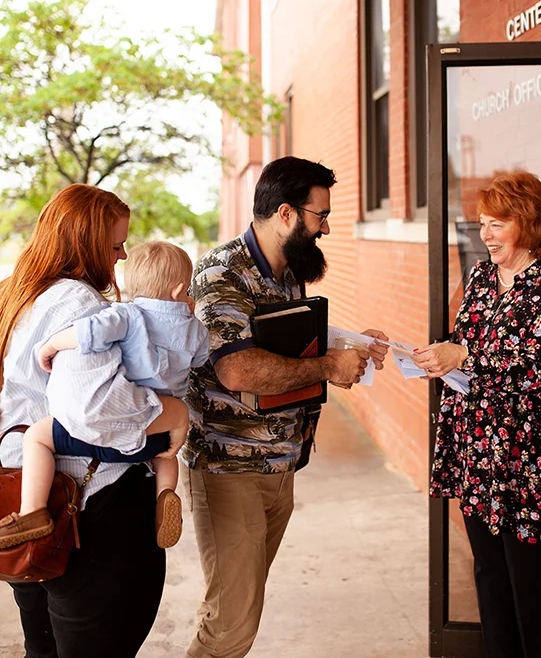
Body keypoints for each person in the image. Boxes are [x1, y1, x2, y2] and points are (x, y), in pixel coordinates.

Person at [182, 155, 389, 658]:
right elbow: (239, 369)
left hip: (280, 464)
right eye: (320, 216)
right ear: (286, 214)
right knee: (230, 624)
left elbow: (288, 342)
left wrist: (352, 345)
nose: (325, 228)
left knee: (238, 609)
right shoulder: (221, 272)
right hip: (229, 470)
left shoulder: (287, 272)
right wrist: (327, 368)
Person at [0, 184, 191, 658]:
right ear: (83, 244)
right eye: (114, 246)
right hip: (86, 505)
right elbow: (94, 411)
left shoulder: (13, 295)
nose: (122, 257)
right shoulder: (77, 304)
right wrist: (175, 411)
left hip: (22, 501)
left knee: (41, 648)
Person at [413, 172, 541, 658]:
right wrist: (432, 357)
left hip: (532, 460)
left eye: (496, 223)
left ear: (527, 224)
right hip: (478, 450)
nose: (484, 234)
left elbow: (540, 367)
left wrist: (462, 359)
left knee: (534, 583)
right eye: (482, 223)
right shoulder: (482, 278)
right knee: (488, 574)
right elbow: (466, 345)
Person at [0, 240, 209, 551]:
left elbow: (90, 333)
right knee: (166, 457)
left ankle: (33, 511)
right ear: (180, 291)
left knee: (37, 437)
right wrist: (188, 319)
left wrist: (52, 345)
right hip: (158, 434)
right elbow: (202, 357)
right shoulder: (195, 330)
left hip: (114, 435)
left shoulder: (127, 315)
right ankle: (166, 494)